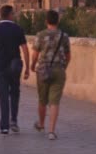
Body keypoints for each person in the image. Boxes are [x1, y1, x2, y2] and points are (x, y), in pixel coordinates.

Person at [0, 5, 30, 135]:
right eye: (13, 13)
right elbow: (25, 49)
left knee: (3, 96)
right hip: (14, 67)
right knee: (14, 93)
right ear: (10, 14)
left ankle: (4, 127)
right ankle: (13, 121)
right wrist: (27, 68)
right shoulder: (18, 29)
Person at [30, 10, 71, 141]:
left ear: (46, 21)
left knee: (42, 100)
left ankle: (41, 124)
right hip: (59, 70)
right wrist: (63, 67)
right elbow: (68, 55)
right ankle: (51, 131)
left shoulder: (40, 35)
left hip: (43, 70)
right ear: (58, 21)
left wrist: (32, 66)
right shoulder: (64, 36)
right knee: (55, 102)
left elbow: (35, 54)